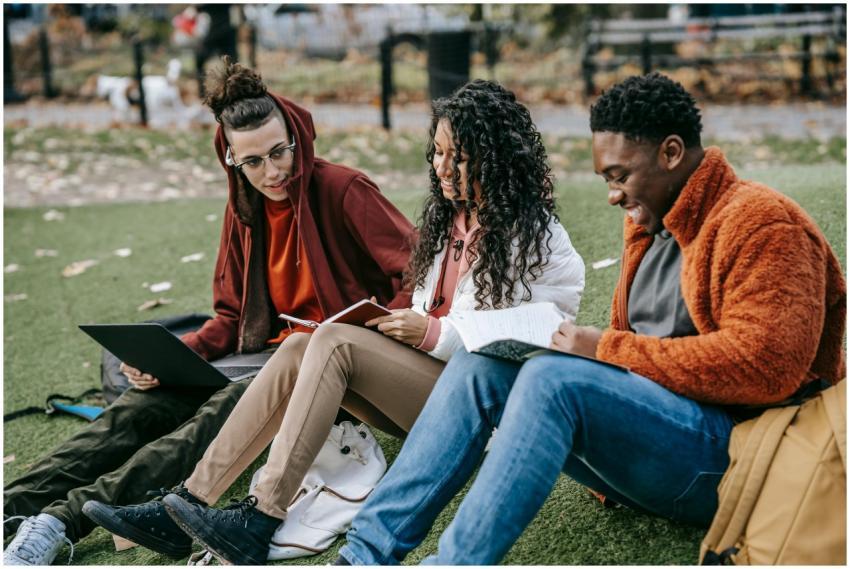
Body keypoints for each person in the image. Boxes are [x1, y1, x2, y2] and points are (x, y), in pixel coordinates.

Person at [333, 72, 847, 565]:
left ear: (671, 153)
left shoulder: (763, 224)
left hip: (740, 462)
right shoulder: (651, 224)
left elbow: (767, 368)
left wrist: (601, 350)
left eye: (620, 176)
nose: (612, 195)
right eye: (606, 178)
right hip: (659, 447)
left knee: (554, 380)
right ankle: (363, 556)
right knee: (479, 364)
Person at [82, 79, 586, 565]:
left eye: (461, 157)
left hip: (486, 414)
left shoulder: (533, 233)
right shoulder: (449, 217)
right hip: (432, 390)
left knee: (333, 342)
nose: (444, 167)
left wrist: (431, 333)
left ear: (497, 157)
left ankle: (259, 519)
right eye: (437, 152)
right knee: (300, 346)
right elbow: (426, 302)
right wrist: (401, 322)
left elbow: (539, 332)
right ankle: (192, 501)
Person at [3, 58, 415, 566]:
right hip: (259, 356)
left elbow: (417, 274)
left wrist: (374, 327)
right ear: (232, 161)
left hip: (327, 368)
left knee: (208, 420)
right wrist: (175, 357)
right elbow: (228, 317)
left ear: (296, 137)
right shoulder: (244, 211)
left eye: (280, 151)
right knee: (141, 407)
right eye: (254, 161)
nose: (273, 171)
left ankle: (60, 522)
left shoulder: (344, 190)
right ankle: (11, 506)